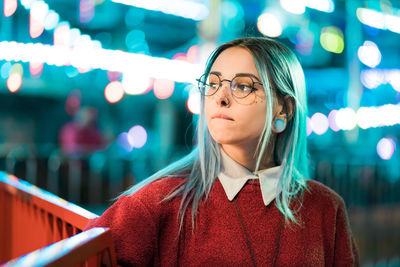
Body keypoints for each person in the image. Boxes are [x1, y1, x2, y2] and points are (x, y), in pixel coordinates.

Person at [85, 37, 359, 266]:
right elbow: (77, 256)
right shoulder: (159, 203)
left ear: (283, 110)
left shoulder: (325, 208)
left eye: (242, 86)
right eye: (213, 84)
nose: (220, 97)